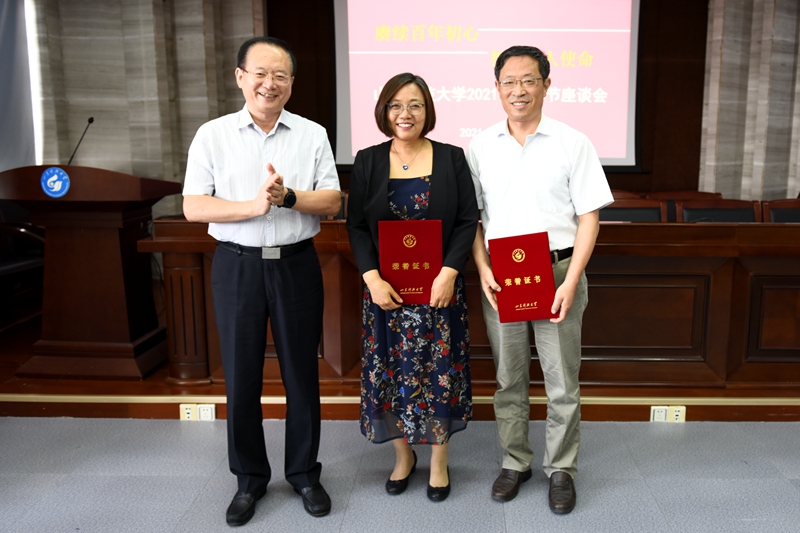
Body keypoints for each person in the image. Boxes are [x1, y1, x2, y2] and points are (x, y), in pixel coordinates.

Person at [182, 36, 341, 525]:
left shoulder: (312, 134)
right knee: (241, 377)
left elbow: (332, 200)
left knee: (301, 375)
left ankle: (304, 474)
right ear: (240, 77)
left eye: (280, 75)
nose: (269, 84)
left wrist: (288, 197)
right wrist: (252, 207)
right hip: (237, 266)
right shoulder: (213, 134)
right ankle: (249, 479)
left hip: (296, 265)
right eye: (260, 73)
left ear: (291, 82)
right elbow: (194, 206)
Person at [468, 46, 613, 514]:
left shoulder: (573, 142)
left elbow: (589, 216)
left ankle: (562, 469)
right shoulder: (480, 146)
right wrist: (483, 269)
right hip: (503, 278)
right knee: (508, 379)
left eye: (528, 80)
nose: (519, 90)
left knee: (562, 381)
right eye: (509, 82)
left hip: (558, 273)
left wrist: (571, 280)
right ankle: (515, 461)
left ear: (546, 85)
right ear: (497, 88)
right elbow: (472, 220)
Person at [346, 73, 478, 502]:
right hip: (387, 293)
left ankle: (439, 461)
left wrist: (449, 272)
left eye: (416, 105)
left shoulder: (451, 157)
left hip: (440, 290)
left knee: (440, 374)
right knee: (391, 373)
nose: (406, 113)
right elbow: (356, 226)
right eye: (396, 105)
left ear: (428, 111)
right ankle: (403, 456)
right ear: (384, 111)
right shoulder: (368, 160)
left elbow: (467, 220)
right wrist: (372, 279)